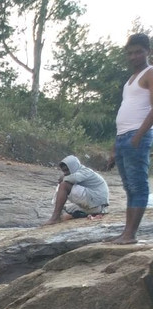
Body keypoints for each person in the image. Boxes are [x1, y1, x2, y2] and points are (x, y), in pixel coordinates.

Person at [107, 33, 153, 244]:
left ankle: (130, 235)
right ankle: (126, 232)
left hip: (137, 136)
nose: (134, 56)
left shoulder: (150, 73)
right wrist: (115, 147)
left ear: (147, 52)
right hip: (123, 137)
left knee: (138, 186)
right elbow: (125, 111)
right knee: (129, 187)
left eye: (138, 52)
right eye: (130, 53)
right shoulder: (130, 80)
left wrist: (139, 135)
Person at [45, 156, 109, 224]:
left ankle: (55, 218)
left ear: (73, 167)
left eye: (67, 170)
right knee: (64, 209)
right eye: (64, 171)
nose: (65, 173)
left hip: (98, 204)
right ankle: (67, 215)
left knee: (64, 185)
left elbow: (75, 178)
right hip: (93, 206)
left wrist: (64, 177)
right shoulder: (71, 175)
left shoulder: (86, 171)